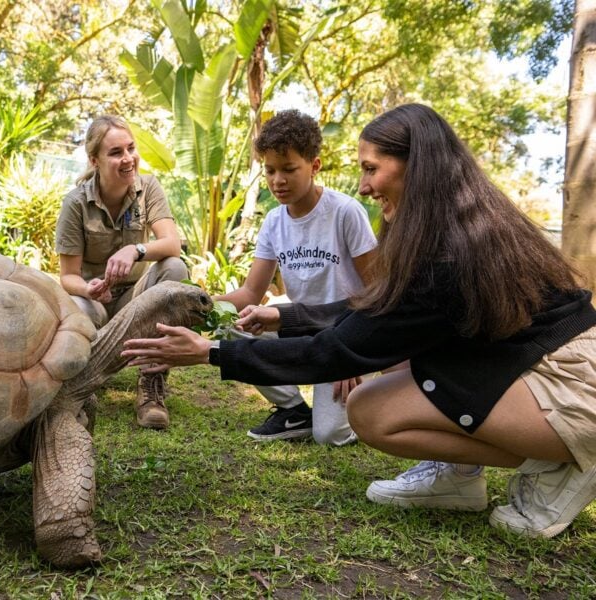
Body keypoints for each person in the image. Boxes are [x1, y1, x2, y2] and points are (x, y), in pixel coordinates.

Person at [122, 103, 596, 538]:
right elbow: (375, 311)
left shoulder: (445, 252)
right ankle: (459, 476)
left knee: (369, 412)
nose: (365, 185)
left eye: (372, 169)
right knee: (374, 403)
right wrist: (277, 319)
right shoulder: (450, 223)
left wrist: (211, 352)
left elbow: (347, 341)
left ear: (419, 166)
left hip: (569, 382)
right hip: (519, 361)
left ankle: (561, 461)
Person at [215, 109, 377, 443]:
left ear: (314, 166)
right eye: (270, 170)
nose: (278, 181)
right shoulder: (274, 222)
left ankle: (366, 395)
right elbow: (249, 294)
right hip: (300, 330)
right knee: (230, 326)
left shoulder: (345, 213)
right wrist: (198, 302)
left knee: (330, 435)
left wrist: (355, 356)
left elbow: (377, 291)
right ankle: (293, 410)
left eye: (289, 169)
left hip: (345, 338)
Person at [56, 115, 188, 429]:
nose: (128, 158)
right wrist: (89, 290)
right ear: (94, 160)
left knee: (175, 269)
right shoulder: (75, 204)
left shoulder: (149, 187)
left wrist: (136, 249)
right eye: (116, 152)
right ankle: (75, 387)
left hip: (136, 299)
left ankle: (151, 385)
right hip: (96, 305)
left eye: (130, 148)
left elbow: (172, 244)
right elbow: (67, 276)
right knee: (75, 303)